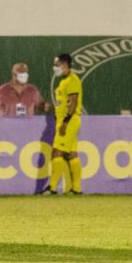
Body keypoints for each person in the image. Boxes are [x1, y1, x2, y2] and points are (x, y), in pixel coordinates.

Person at [44, 54, 83, 195]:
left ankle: (52, 188)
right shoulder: (63, 81)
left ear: (65, 64)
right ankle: (77, 189)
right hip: (65, 120)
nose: (55, 67)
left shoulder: (73, 80)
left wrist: (65, 121)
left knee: (56, 153)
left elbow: (74, 102)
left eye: (57, 64)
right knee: (72, 154)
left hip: (69, 120)